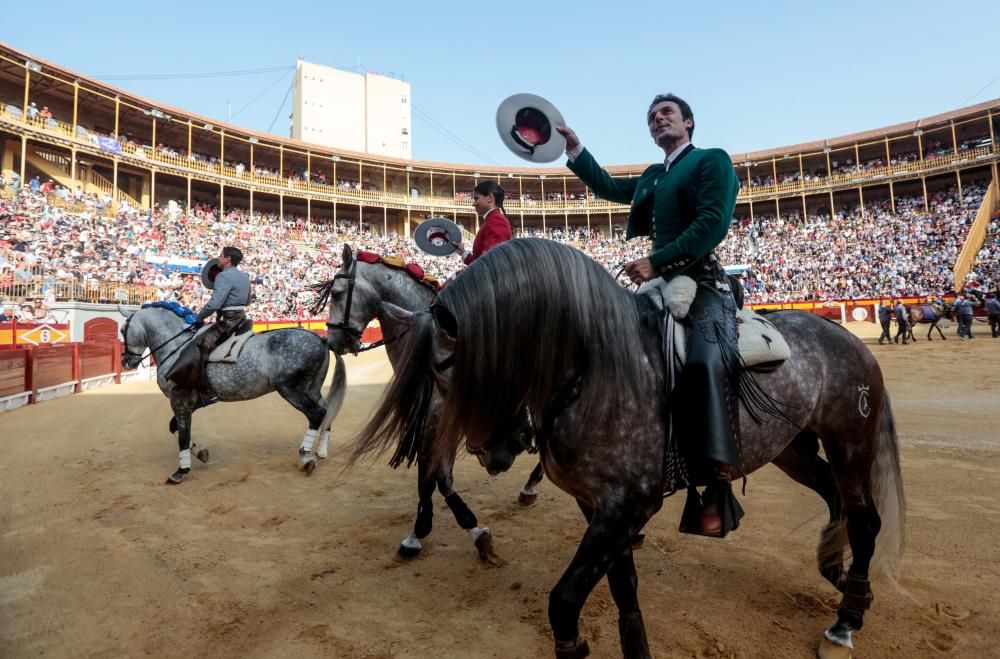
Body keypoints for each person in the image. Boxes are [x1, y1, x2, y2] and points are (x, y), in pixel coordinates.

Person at [558, 93, 743, 537]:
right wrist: (576, 151)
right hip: (660, 286)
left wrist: (659, 262)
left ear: (689, 123)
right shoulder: (652, 176)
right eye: (652, 117)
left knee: (701, 360)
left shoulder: (710, 161)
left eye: (667, 113)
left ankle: (717, 481)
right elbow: (605, 186)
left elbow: (713, 222)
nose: (658, 120)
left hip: (703, 284)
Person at [168, 246, 251, 404]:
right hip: (241, 319)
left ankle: (206, 389)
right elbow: (247, 301)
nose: (218, 258)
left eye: (221, 256)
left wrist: (199, 318)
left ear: (228, 259)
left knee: (200, 345)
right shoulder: (245, 276)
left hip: (228, 321)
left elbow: (214, 304)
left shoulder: (223, 276)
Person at [451, 181, 513, 265]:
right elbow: (481, 262)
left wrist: (456, 276)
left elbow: (489, 265)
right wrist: (463, 252)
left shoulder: (497, 221)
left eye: (476, 198)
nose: (473, 204)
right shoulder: (492, 220)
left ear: (490, 197)